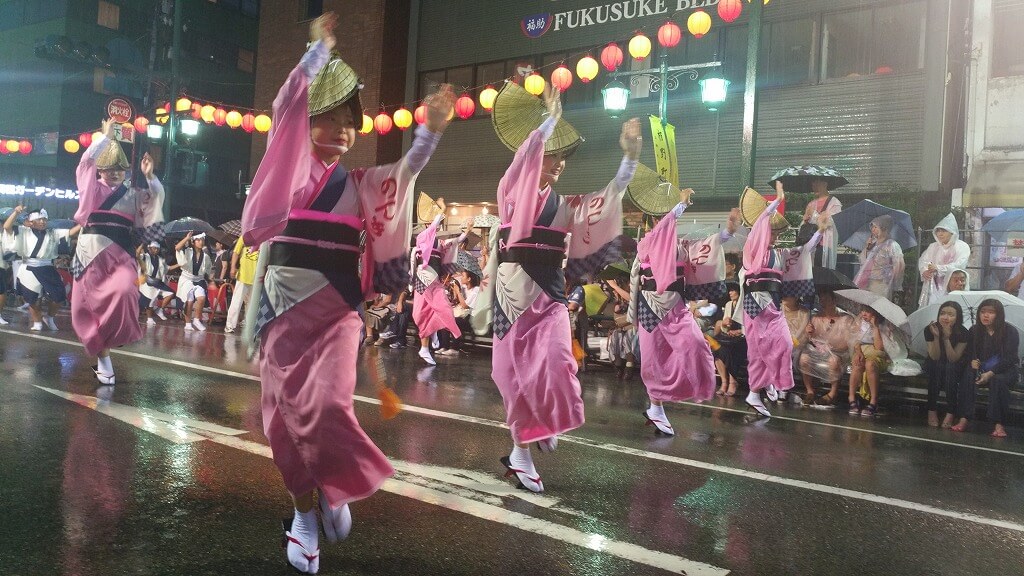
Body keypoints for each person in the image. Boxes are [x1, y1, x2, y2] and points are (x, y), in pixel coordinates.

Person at [240, 13, 454, 573]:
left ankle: (335, 489)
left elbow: (406, 171)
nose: (339, 131)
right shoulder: (287, 173)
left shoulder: (359, 186)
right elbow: (286, 105)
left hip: (338, 313)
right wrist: (315, 55)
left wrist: (429, 131)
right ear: (304, 123)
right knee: (283, 423)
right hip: (282, 312)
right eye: (327, 120)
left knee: (327, 406)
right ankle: (305, 513)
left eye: (348, 123)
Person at [488, 84, 639, 493]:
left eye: (561, 157)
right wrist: (548, 123)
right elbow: (523, 161)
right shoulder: (510, 192)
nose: (558, 163)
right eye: (551, 154)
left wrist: (629, 159)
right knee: (510, 378)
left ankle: (544, 421)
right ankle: (522, 452)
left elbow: (607, 199)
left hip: (549, 298)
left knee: (557, 363)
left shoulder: (566, 205)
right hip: (510, 299)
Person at [71, 119, 163, 384]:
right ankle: (104, 359)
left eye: (120, 169)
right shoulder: (91, 189)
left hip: (122, 255)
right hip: (90, 256)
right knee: (88, 309)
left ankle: (111, 343)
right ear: (100, 170)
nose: (114, 173)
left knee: (124, 291)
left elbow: (153, 204)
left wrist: (150, 177)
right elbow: (85, 165)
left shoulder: (133, 194)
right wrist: (105, 136)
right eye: (109, 169)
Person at [629, 188, 721, 435]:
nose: (663, 222)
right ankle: (656, 408)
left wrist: (726, 233)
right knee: (653, 359)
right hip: (651, 306)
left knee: (695, 346)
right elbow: (661, 232)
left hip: (676, 307)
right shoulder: (647, 242)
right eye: (658, 218)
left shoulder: (681, 246)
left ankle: (690, 389)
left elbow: (706, 249)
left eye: (664, 217)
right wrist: (679, 207)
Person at [740, 182, 799, 417]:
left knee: (785, 343)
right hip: (755, 303)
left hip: (773, 304)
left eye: (777, 233)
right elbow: (759, 226)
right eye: (771, 231)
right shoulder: (753, 247)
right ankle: (754, 393)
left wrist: (819, 233)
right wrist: (777, 200)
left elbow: (802, 254)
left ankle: (771, 380)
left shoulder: (778, 253)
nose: (774, 235)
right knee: (757, 351)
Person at [3, 206, 80, 331]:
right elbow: (7, 227)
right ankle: (37, 321)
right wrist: (16, 213)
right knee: (32, 298)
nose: (43, 222)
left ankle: (49, 317)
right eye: (39, 219)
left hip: (47, 266)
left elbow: (70, 233)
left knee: (59, 296)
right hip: (29, 266)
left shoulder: (52, 232)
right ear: (31, 221)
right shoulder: (23, 230)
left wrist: (83, 223)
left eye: (45, 219)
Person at [955, 299, 1019, 437]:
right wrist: (972, 362)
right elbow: (970, 353)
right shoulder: (975, 330)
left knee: (998, 380)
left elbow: (1010, 359)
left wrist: (990, 373)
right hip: (982, 368)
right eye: (983, 312)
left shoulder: (1010, 331)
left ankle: (998, 424)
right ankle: (964, 418)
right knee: (968, 374)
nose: (985, 315)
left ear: (999, 314)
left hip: (1005, 370)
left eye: (991, 312)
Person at [411, 211, 464, 364]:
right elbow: (429, 232)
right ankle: (425, 347)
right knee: (423, 311)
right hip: (423, 276)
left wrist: (465, 233)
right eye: (436, 224)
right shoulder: (422, 237)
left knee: (440, 307)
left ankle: (428, 341)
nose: (438, 226)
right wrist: (436, 218)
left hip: (433, 277)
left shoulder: (439, 242)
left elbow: (452, 243)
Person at [846, 306, 911, 417]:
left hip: (878, 357)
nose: (863, 314)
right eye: (862, 311)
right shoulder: (859, 323)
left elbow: (879, 349)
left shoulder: (884, 325)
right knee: (857, 363)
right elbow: (854, 341)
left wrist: (875, 327)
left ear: (875, 313)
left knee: (870, 364)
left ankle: (873, 401)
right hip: (861, 353)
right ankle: (851, 398)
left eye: (867, 311)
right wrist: (858, 352)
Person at [798, 290, 855, 408]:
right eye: (821, 299)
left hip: (838, 352)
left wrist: (832, 346)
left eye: (826, 299)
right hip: (818, 351)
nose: (823, 302)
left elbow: (849, 342)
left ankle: (832, 393)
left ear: (834, 300)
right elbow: (809, 340)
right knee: (804, 358)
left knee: (834, 361)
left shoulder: (846, 319)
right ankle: (810, 391)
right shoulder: (815, 318)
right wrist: (809, 333)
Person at [924, 300, 970, 428]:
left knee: (949, 367)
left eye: (950, 314)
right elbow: (934, 356)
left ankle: (951, 411)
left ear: (957, 317)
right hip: (934, 363)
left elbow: (953, 358)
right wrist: (937, 337)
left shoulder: (964, 333)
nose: (945, 317)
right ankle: (931, 409)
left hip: (954, 365)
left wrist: (946, 339)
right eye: (943, 313)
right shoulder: (930, 329)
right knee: (937, 366)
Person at [917, 214, 970, 307]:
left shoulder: (962, 246)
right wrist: (924, 270)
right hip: (933, 286)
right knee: (932, 311)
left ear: (952, 232)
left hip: (953, 286)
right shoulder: (933, 247)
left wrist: (938, 268)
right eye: (938, 231)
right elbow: (923, 260)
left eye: (944, 231)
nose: (940, 234)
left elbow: (959, 265)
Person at [853, 215, 905, 300]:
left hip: (881, 283)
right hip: (866, 281)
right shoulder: (873, 244)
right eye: (872, 227)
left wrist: (893, 282)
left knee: (877, 307)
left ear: (884, 228)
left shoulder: (892, 245)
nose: (873, 230)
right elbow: (863, 261)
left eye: (876, 227)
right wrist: (867, 247)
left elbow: (899, 265)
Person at [800, 177, 843, 268]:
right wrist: (805, 219)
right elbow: (804, 225)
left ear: (825, 184)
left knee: (822, 274)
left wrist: (814, 214)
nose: (814, 186)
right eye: (813, 184)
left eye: (817, 183)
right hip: (810, 244)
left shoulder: (834, 203)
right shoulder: (811, 204)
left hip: (825, 245)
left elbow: (829, 223)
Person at [174, 231, 212, 331]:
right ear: (193, 242)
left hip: (199, 280)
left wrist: (210, 280)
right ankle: (187, 323)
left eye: (202, 240)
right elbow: (177, 248)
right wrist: (187, 238)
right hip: (187, 279)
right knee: (189, 301)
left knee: (202, 298)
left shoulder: (206, 256)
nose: (200, 242)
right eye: (198, 240)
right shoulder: (188, 251)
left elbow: (208, 270)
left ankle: (196, 320)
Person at [137, 242, 174, 325]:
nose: (156, 250)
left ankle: (160, 310)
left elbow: (168, 268)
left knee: (170, 293)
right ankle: (149, 319)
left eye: (157, 248)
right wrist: (142, 244)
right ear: (149, 248)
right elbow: (136, 255)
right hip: (147, 281)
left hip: (157, 282)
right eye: (154, 248)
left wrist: (180, 264)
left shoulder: (160, 259)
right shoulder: (145, 257)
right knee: (150, 300)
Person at [225, 237, 257, 334]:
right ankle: (229, 325)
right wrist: (233, 267)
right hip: (243, 275)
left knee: (252, 304)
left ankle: (249, 325)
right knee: (237, 302)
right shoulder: (245, 236)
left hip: (256, 277)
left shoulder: (264, 238)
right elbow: (236, 252)